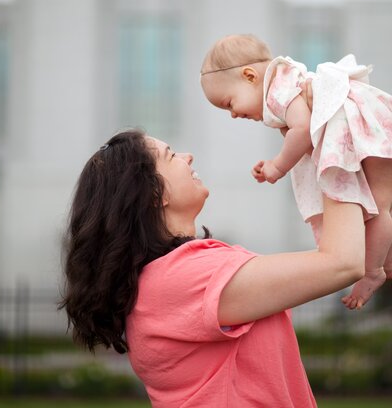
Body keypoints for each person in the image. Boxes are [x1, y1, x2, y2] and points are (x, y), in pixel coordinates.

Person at [60, 127, 365, 407]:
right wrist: (334, 142)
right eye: (171, 155)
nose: (187, 156)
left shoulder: (170, 279)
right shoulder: (183, 279)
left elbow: (343, 258)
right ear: (156, 194)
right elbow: (342, 263)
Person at [200, 33, 392, 310]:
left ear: (250, 76)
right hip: (370, 121)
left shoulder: (277, 90)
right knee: (380, 205)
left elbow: (302, 130)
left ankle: (374, 270)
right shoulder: (286, 79)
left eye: (229, 103)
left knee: (378, 207)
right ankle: (384, 259)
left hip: (362, 123)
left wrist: (277, 166)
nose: (232, 114)